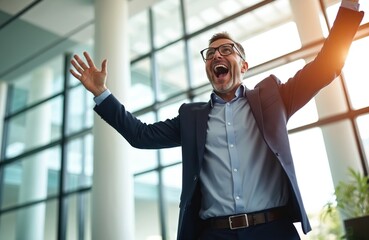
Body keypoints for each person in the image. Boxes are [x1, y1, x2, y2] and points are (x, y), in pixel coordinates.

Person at [70, 1, 364, 239]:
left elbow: (327, 65)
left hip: (273, 230)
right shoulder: (191, 118)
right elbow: (141, 135)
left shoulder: (273, 98)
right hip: (214, 234)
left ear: (244, 65)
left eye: (226, 50)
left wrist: (350, 6)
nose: (216, 56)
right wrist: (102, 94)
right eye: (210, 53)